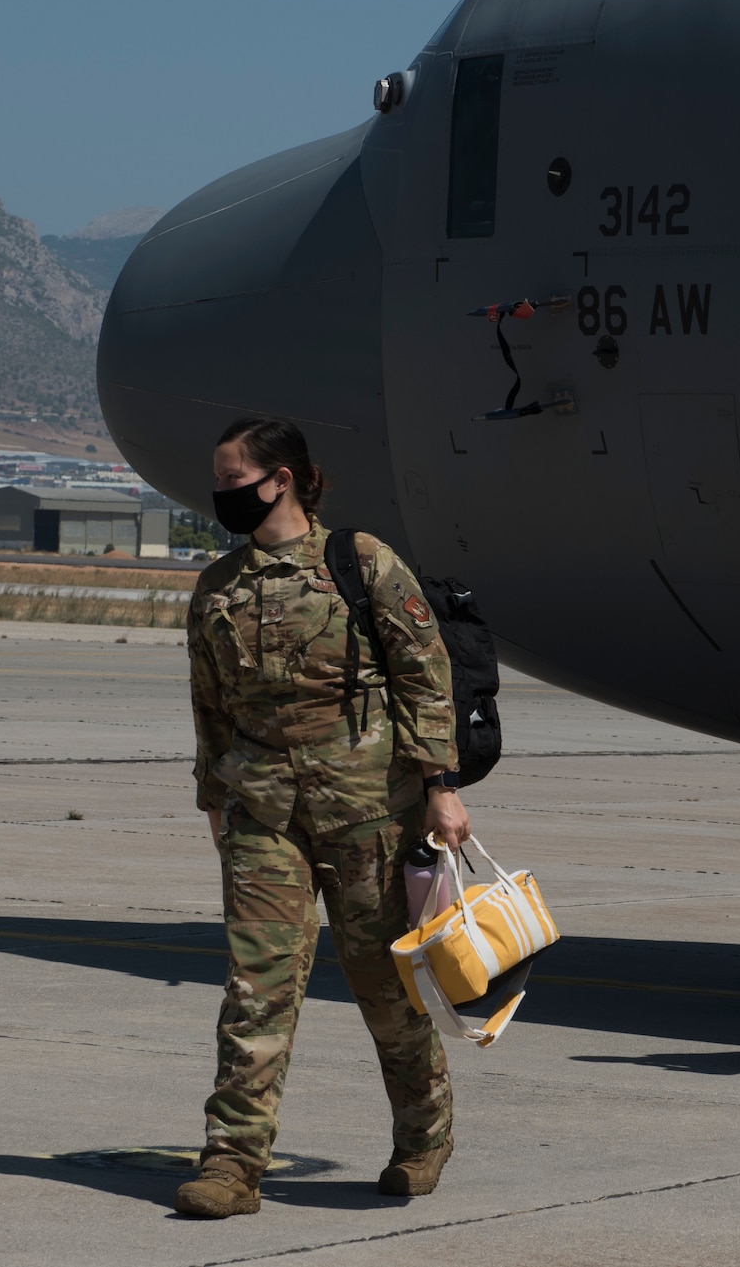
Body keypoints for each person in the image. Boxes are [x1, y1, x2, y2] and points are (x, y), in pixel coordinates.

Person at [173, 417, 467, 1219]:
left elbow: (424, 671)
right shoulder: (219, 586)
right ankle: (233, 1164)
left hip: (367, 806)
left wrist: (441, 784)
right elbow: (210, 707)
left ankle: (423, 1135)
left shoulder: (360, 562)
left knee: (384, 987)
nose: (223, 494)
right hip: (262, 810)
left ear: (283, 479)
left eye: (234, 479)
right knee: (255, 989)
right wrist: (214, 800)